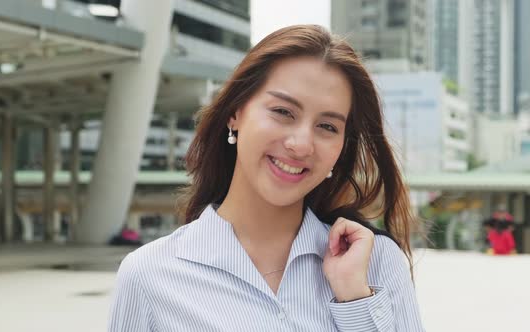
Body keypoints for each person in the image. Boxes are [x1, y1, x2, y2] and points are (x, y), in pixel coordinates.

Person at [109, 25, 424, 331]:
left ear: (341, 148)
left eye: (327, 127)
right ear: (235, 112)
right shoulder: (149, 276)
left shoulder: (377, 263)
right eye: (283, 112)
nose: (300, 144)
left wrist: (355, 304)